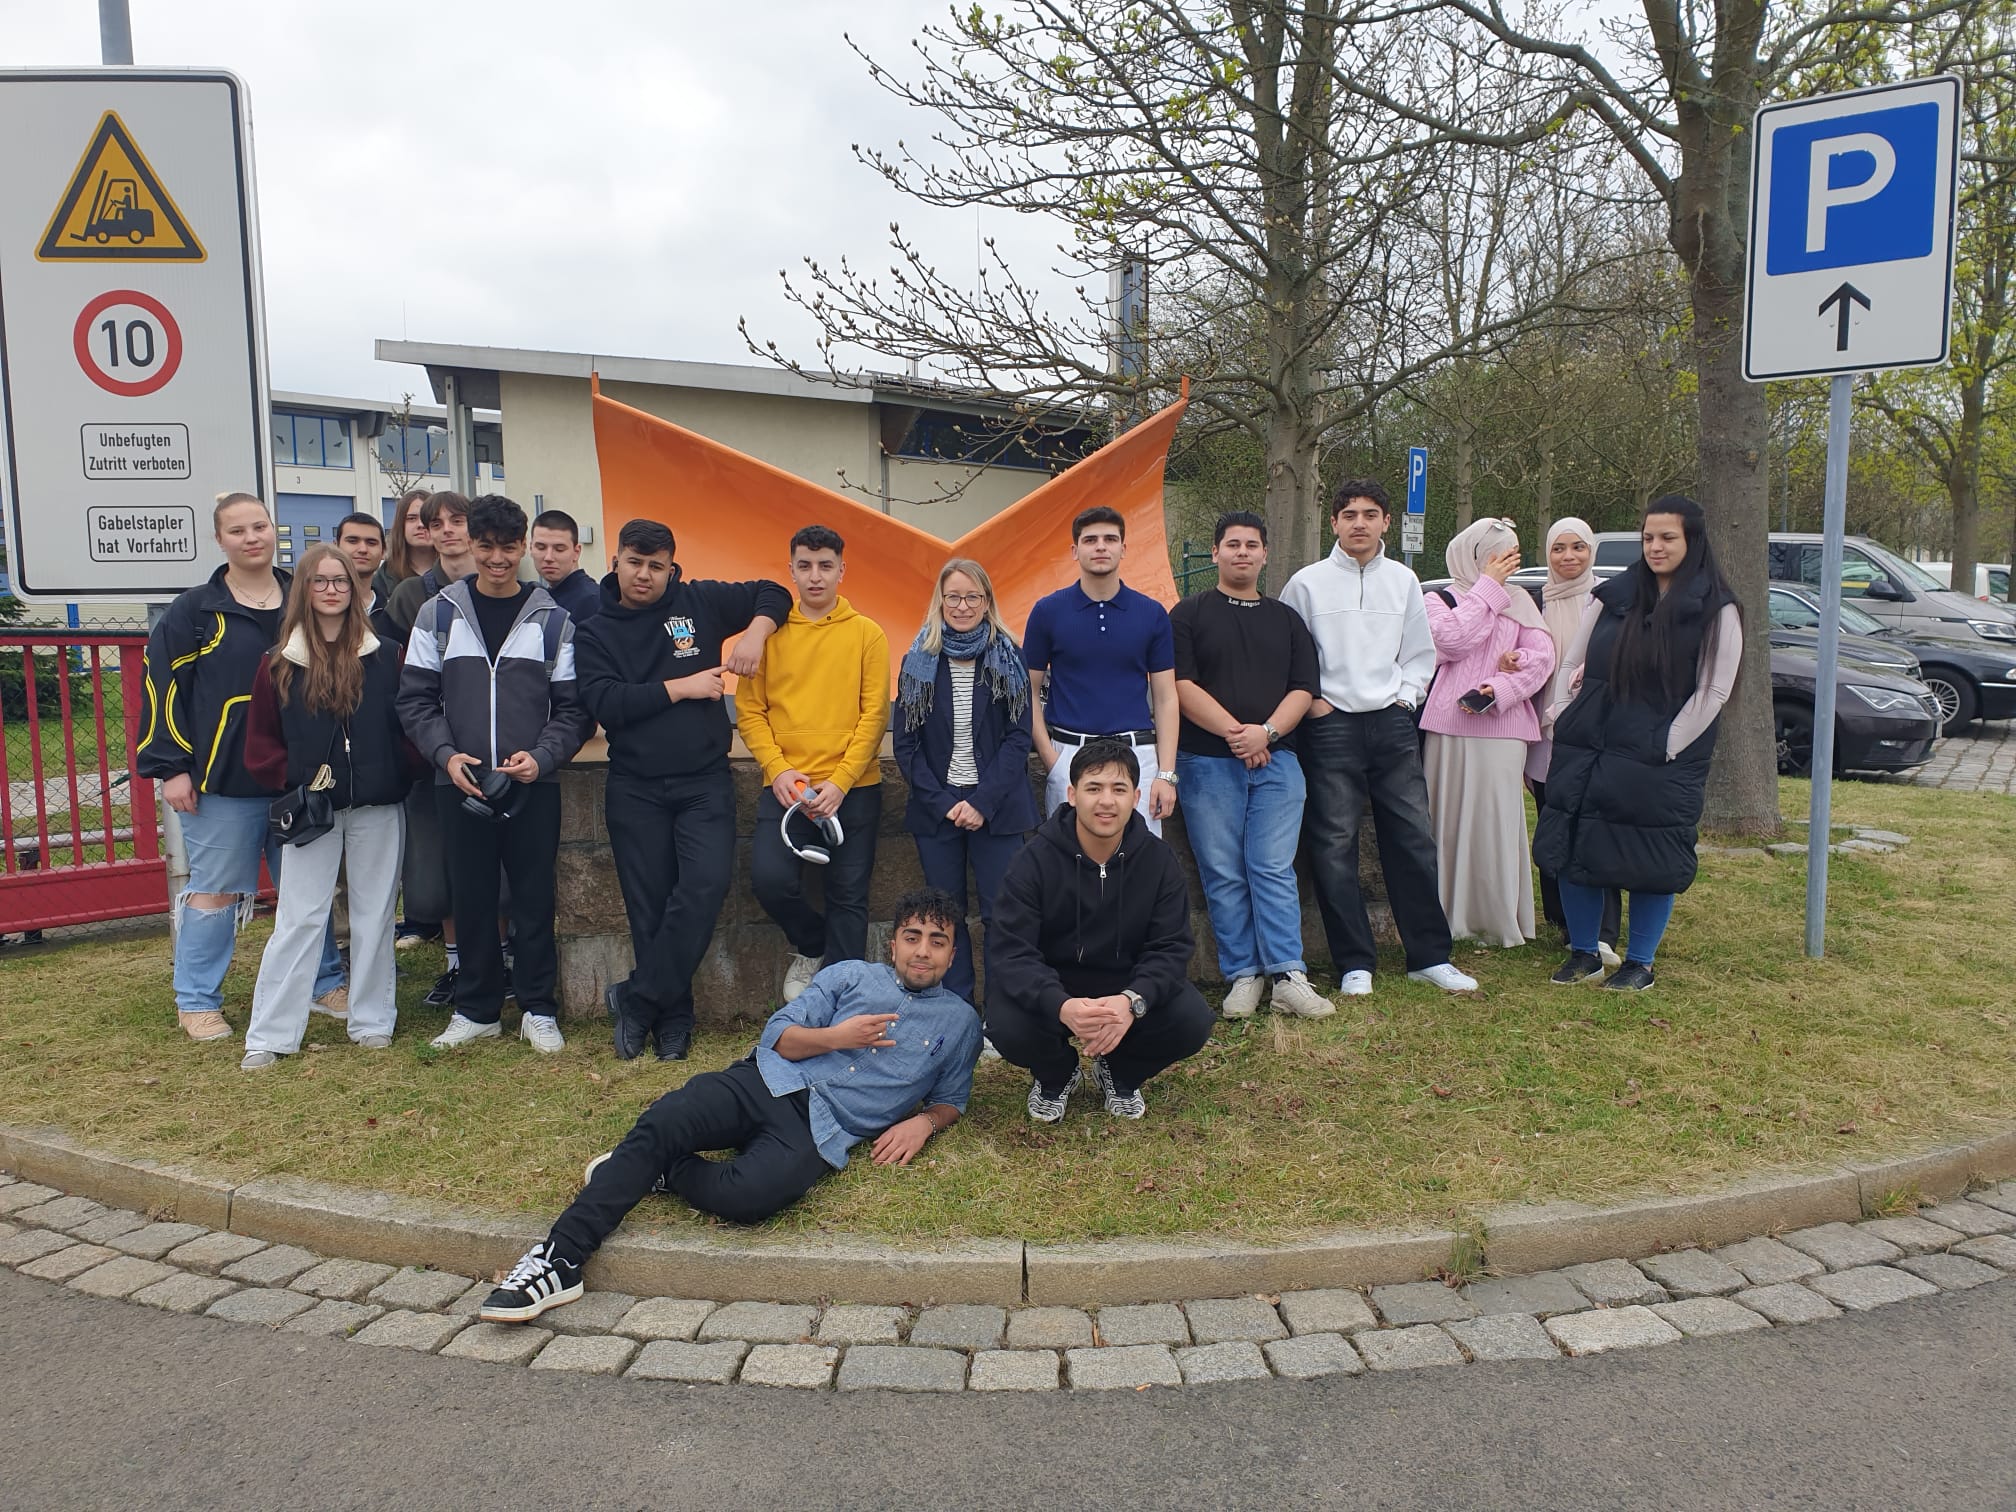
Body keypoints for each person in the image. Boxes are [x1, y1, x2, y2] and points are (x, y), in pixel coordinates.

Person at [477, 890, 982, 1323]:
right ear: (892, 943)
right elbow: (778, 1036)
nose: (922, 951)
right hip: (766, 1080)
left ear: (952, 954)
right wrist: (836, 1036)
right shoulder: (849, 976)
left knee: (750, 1198)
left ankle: (659, 1171)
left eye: (937, 942)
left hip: (821, 1130)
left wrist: (924, 1122)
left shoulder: (960, 1022)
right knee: (667, 1118)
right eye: (912, 937)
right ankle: (558, 1261)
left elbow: (952, 1099)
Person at [574, 518, 790, 1062]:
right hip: (635, 787)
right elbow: (606, 702)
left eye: (656, 565)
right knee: (649, 907)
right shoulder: (595, 628)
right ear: (615, 561)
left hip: (702, 783)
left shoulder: (699, 602)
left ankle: (637, 998)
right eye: (634, 562)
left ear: (672, 566)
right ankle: (674, 1021)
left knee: (703, 889)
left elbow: (774, 591)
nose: (644, 575)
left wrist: (754, 633)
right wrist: (682, 687)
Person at [136, 493, 344, 1041]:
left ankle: (324, 984)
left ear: (274, 530)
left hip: (294, 778)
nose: (252, 538)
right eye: (238, 530)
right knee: (217, 889)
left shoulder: (302, 599)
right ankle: (197, 1000)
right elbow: (162, 687)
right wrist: (170, 767)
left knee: (305, 889)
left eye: (260, 526)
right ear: (219, 540)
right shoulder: (195, 611)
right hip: (220, 781)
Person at [396, 494, 593, 1050]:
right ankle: (477, 1009)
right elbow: (415, 700)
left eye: (509, 548)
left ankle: (537, 1008)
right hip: (458, 781)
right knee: (471, 896)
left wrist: (543, 756)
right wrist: (446, 754)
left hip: (533, 781)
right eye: (487, 547)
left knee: (533, 898)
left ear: (523, 547)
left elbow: (574, 708)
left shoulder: (554, 621)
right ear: (470, 545)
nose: (498, 559)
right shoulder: (437, 615)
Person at [1534, 495, 1743, 991]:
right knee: (1575, 845)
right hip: (1590, 745)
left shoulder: (1715, 606)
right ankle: (1583, 952)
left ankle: (1640, 962)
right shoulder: (1615, 594)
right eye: (1649, 537)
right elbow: (1571, 662)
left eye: (1668, 537)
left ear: (1692, 540)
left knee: (1653, 853)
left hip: (1658, 756)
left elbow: (1714, 689)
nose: (1656, 546)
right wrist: (1565, 714)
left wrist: (1670, 743)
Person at [1280, 481, 1477, 996]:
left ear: (1387, 522)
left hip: (1390, 723)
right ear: (1334, 523)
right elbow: (1289, 653)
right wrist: (1315, 704)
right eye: (1349, 514)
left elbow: (1420, 652)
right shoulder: (1306, 583)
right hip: (1329, 725)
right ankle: (1354, 963)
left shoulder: (1405, 580)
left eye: (1370, 514)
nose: (1359, 523)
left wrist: (1404, 699)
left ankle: (1429, 956)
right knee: (1333, 843)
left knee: (1413, 837)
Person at [240, 546, 419, 1068]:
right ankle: (271, 1034)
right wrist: (294, 779)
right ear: (304, 589)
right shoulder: (279, 663)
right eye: (320, 581)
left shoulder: (385, 655)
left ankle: (372, 1021)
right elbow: (261, 742)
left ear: (354, 588)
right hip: (310, 811)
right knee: (300, 917)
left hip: (378, 807)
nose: (332, 590)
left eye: (340, 580)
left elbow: (406, 726)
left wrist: (395, 773)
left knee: (375, 915)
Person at [985, 739, 1214, 1122]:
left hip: (1125, 985)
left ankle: (1120, 1073)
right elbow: (1011, 950)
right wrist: (1060, 1005)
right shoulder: (1033, 860)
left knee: (1192, 1020)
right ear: (1072, 795)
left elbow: (1171, 948)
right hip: (1055, 984)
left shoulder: (1159, 861)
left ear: (1136, 796)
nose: (1106, 801)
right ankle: (1058, 1074)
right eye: (1094, 788)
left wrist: (1131, 1001)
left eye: (1118, 789)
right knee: (1005, 1023)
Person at [1169, 512, 1329, 1019]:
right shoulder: (1188, 615)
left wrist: (1268, 733)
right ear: (1215, 553)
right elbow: (1180, 685)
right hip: (1206, 762)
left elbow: (1304, 687)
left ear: (1264, 555)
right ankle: (1243, 974)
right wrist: (1239, 735)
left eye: (1252, 545)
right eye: (1232, 544)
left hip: (1278, 763)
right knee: (1223, 871)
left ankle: (1286, 974)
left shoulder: (1286, 620)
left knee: (1272, 867)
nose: (1242, 552)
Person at [736, 525, 890, 1003]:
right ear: (791, 571)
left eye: (826, 566)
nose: (815, 576)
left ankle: (842, 998)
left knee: (849, 896)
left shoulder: (868, 634)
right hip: (786, 791)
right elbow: (749, 711)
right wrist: (778, 770)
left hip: (852, 790)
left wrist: (842, 783)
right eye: (805, 566)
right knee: (770, 881)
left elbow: (875, 714)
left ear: (842, 571)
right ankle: (811, 945)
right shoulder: (770, 636)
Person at [892, 557, 1036, 1014]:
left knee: (1002, 916)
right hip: (938, 811)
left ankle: (1000, 1013)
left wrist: (981, 801)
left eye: (972, 596)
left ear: (987, 601)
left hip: (998, 807)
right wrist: (943, 802)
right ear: (940, 599)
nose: (962, 605)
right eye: (953, 596)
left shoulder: (1009, 655)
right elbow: (906, 744)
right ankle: (955, 1012)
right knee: (942, 919)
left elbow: (1019, 737)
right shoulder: (918, 660)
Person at [1420, 518, 1556, 948]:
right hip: (1447, 726)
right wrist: (1487, 590)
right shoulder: (1437, 599)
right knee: (1449, 818)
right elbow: (1450, 641)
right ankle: (1446, 914)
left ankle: (1497, 916)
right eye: (1499, 555)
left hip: (1503, 725)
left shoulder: (1521, 601)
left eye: (1513, 553)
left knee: (1496, 817)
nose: (1507, 563)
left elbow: (1542, 659)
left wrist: (1502, 684)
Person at [1022, 506, 1180, 836]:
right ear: (1074, 550)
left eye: (1110, 539)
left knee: (1140, 863)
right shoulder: (1047, 612)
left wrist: (1166, 774)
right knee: (1069, 863)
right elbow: (1028, 692)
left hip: (1138, 757)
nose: (1100, 547)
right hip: (1070, 754)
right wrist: (1052, 760)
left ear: (1124, 548)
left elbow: (1166, 698)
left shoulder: (1152, 614)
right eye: (1090, 539)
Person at [384, 492, 471, 982]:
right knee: (437, 867)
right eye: (436, 523)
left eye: (458, 521)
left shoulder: (513, 587)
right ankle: (456, 962)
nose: (448, 531)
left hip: (498, 745)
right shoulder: (410, 595)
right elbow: (403, 680)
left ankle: (506, 956)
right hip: (434, 749)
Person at [1527, 517, 1621, 967]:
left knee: (1596, 824)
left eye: (1578, 547)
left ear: (1592, 552)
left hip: (1597, 730)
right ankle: (1564, 920)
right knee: (1553, 817)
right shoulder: (1534, 601)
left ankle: (1604, 928)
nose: (1568, 557)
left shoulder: (1610, 600)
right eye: (1559, 548)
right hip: (1547, 732)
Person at [530, 508, 602, 624]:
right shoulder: (541, 596)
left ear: (576, 552)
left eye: (559, 549)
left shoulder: (592, 601)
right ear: (530, 548)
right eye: (541, 547)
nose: (548, 557)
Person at [374, 488, 434, 610]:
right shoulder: (385, 577)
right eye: (412, 518)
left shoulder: (452, 573)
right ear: (401, 525)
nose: (420, 525)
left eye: (426, 518)